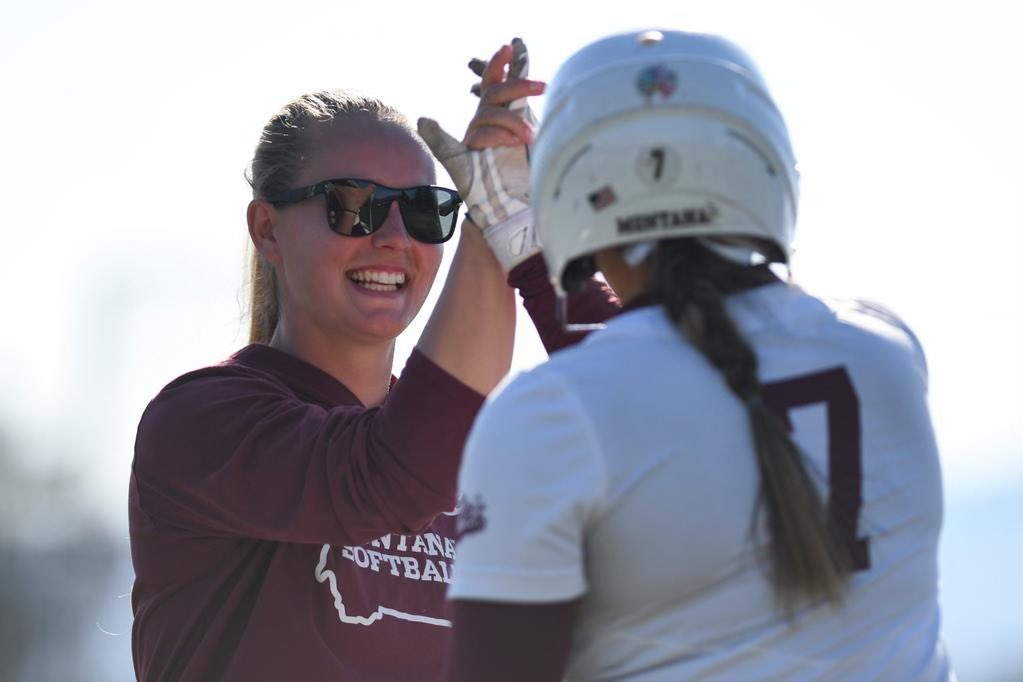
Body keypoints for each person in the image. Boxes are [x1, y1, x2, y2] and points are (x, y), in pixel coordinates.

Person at [446, 30, 953, 681]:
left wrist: (529, 237)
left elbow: (636, 390)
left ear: (569, 193)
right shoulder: (885, 351)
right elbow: (676, 374)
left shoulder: (548, 415)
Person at [127, 41, 600, 680]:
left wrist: (530, 243)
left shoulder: (488, 460)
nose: (395, 238)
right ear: (268, 229)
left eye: (429, 210)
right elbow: (389, 473)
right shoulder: (201, 420)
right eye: (353, 205)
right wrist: (491, 235)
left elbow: (663, 419)